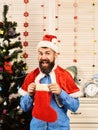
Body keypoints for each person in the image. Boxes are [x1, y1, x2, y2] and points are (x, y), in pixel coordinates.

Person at [18, 34, 82, 130]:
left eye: (47, 53)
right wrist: (30, 95)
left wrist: (61, 93)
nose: (43, 57)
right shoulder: (31, 76)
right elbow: (24, 107)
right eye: (40, 53)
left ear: (55, 55)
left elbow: (75, 106)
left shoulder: (64, 76)